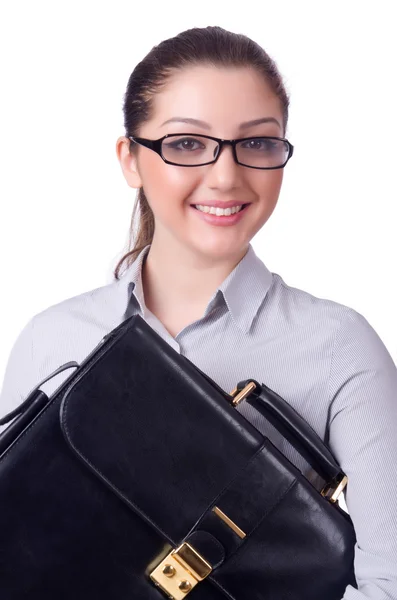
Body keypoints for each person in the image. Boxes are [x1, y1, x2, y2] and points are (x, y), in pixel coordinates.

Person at [0, 25, 396, 600]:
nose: (226, 176)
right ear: (130, 159)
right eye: (187, 143)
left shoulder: (338, 345)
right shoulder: (54, 337)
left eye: (257, 143)